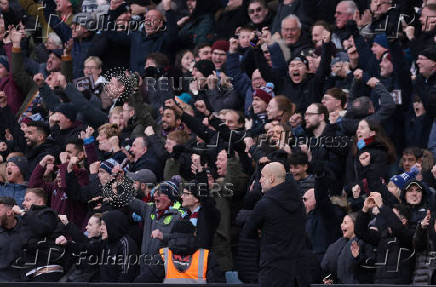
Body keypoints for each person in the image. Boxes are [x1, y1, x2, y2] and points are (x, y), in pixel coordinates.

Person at [243, 162, 308, 286]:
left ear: (271, 178)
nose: (260, 180)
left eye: (262, 176)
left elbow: (248, 231)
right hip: (299, 273)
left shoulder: (265, 204)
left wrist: (262, 232)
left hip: (273, 272)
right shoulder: (300, 204)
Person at [139, 220, 225, 283]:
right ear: (194, 235)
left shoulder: (163, 256)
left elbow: (143, 281)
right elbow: (218, 282)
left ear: (172, 236)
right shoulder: (207, 257)